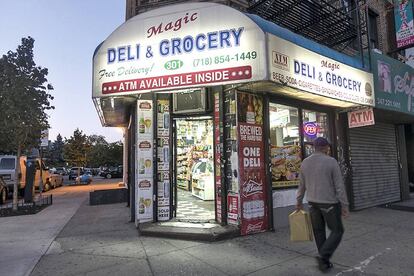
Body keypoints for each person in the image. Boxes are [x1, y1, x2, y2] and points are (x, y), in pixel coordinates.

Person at [296, 137, 349, 273]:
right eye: (328, 147)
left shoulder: (305, 163)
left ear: (314, 147)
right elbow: (339, 186)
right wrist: (344, 205)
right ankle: (323, 256)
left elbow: (301, 185)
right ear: (325, 147)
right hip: (329, 203)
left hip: (312, 203)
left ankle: (324, 262)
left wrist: (299, 201)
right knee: (337, 231)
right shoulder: (331, 161)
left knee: (319, 232)